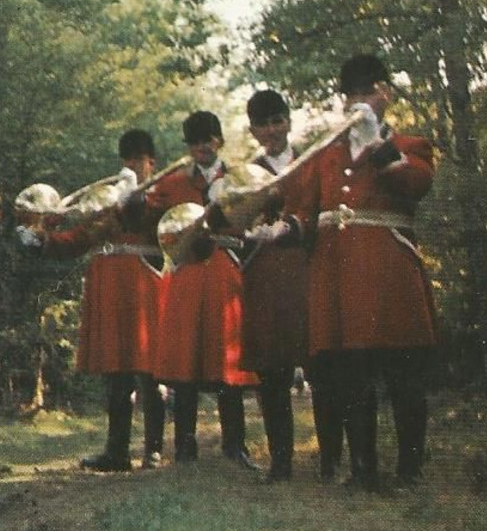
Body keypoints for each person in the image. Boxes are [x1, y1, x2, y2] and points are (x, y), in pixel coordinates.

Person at [281, 55, 437, 488]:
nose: (359, 102)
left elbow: (415, 185)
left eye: (368, 92)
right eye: (351, 95)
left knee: (403, 373)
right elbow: (304, 212)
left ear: (385, 93)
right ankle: (362, 468)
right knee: (350, 374)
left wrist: (377, 144)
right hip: (336, 271)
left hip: (389, 270)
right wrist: (282, 230)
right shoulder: (323, 155)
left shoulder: (410, 145)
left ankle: (409, 469)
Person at [18, 129, 168, 472]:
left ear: (151, 163)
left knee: (150, 369)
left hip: (143, 280)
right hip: (107, 283)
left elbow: (156, 221)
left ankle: (154, 450)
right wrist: (43, 241)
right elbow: (80, 237)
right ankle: (116, 451)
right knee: (115, 371)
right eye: (127, 160)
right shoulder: (107, 199)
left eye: (139, 161)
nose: (133, 166)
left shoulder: (158, 194)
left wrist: (135, 196)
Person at [146, 111, 258, 468]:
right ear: (189, 147)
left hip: (225, 267)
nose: (202, 148)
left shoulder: (240, 177)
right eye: (195, 142)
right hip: (187, 270)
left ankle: (235, 446)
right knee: (185, 361)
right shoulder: (174, 183)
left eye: (208, 140)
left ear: (219, 140)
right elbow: (150, 217)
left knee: (228, 360)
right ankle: (184, 447)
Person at [231, 90, 309, 483]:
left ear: (289, 121)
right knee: (273, 372)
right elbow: (232, 224)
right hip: (264, 274)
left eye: (277, 120)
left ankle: (330, 460)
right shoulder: (246, 173)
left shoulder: (311, 160)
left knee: (323, 365)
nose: (272, 130)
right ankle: (281, 464)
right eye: (263, 124)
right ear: (253, 130)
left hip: (308, 269)